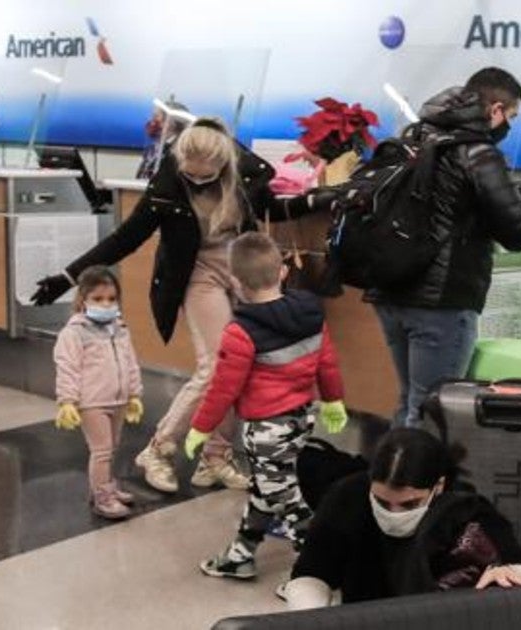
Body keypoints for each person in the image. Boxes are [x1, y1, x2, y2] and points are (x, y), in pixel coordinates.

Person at [31, 117, 295, 494]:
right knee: (217, 365)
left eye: (208, 168)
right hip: (197, 273)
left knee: (244, 363)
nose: (198, 174)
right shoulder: (167, 188)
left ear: (223, 160)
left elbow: (278, 209)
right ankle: (158, 449)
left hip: (240, 270)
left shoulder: (243, 177)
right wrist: (68, 277)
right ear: (180, 155)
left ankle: (216, 457)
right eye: (190, 166)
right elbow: (125, 238)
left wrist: (334, 197)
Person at [370, 67, 521, 427]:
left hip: (390, 290)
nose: (508, 126)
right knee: (432, 411)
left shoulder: (414, 138)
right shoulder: (477, 154)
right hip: (442, 300)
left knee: (409, 403)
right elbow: (519, 234)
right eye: (510, 116)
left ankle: (386, 482)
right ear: (495, 110)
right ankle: (417, 484)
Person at [182, 232, 347, 579]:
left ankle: (317, 571)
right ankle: (241, 555)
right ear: (283, 271)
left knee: (286, 500)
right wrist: (333, 400)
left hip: (266, 429)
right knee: (266, 488)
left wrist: (200, 426)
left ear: (234, 283)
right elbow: (327, 362)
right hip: (303, 418)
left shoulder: (240, 332)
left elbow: (223, 389)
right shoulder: (310, 310)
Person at [279, 428, 521, 609]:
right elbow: (311, 572)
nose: (394, 514)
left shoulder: (465, 510)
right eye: (382, 502)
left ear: (438, 486)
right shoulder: (348, 497)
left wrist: (511, 576)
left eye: (409, 504)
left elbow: (518, 568)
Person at [52, 266, 145, 520]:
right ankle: (103, 497)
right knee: (101, 450)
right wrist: (67, 401)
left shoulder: (120, 328)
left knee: (112, 447)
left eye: (112, 299)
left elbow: (131, 361)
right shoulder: (74, 333)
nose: (106, 304)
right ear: (83, 300)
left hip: (119, 400)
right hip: (92, 402)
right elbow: (67, 367)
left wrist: (134, 394)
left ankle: (104, 486)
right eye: (98, 299)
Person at [136, 100, 190, 179]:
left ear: (171, 123)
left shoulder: (181, 151)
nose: (152, 122)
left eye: (156, 117)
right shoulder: (152, 148)